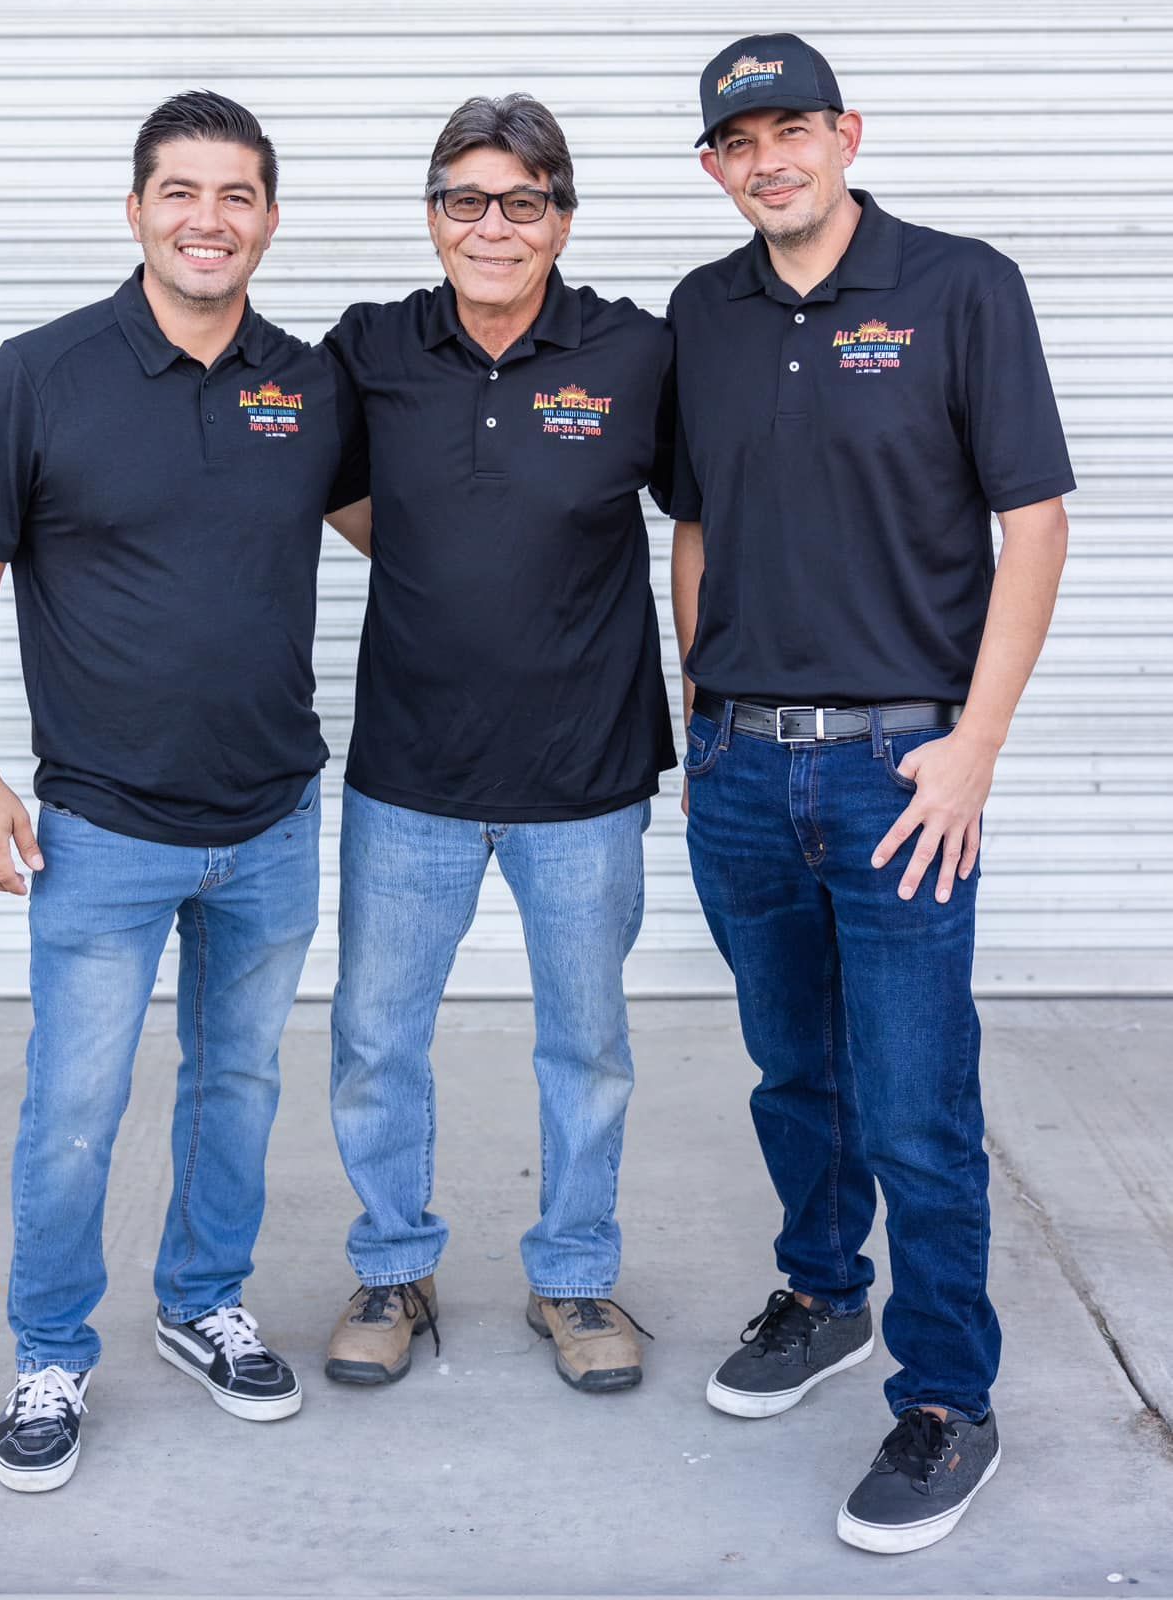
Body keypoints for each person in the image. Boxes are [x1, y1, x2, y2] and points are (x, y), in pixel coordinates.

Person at [0, 90, 368, 1491]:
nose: (208, 220)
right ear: (134, 211)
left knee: (233, 1085)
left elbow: (411, 532)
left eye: (237, 196)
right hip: (102, 831)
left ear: (270, 221)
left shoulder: (305, 383)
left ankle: (200, 1303)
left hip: (273, 823)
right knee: (74, 1103)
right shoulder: (41, 374)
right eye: (181, 192)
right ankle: (51, 1350)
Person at [669, 35, 1072, 1554]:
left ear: (846, 133)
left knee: (916, 1105)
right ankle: (824, 1295)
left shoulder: (960, 286)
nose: (765, 159)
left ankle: (948, 1397)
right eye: (735, 141)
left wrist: (972, 747)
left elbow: (1028, 528)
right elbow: (694, 524)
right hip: (738, 767)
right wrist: (694, 701)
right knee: (793, 1071)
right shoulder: (702, 316)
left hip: (900, 766)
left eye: (790, 129)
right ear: (712, 166)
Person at [320, 94, 674, 1395]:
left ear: (561, 219)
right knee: (374, 1036)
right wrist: (446, 566)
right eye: (464, 200)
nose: (492, 226)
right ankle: (392, 1265)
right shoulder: (370, 347)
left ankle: (574, 1279)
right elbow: (326, 485)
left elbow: (706, 507)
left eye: (521, 201)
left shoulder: (635, 352)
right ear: (431, 217)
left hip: (581, 779)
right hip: (408, 771)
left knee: (584, 1046)